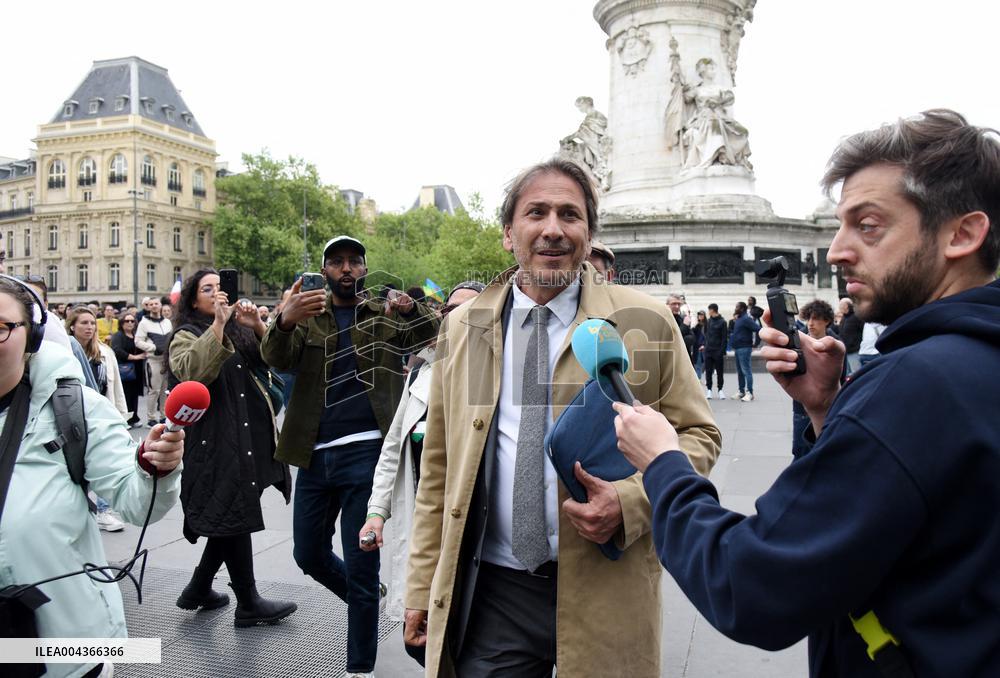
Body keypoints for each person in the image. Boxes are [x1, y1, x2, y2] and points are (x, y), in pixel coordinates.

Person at [611, 109, 1000, 677]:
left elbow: (750, 586)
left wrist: (664, 464)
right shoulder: (971, 364)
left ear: (963, 234)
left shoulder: (914, 387)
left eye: (868, 225)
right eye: (840, 225)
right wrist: (830, 410)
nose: (838, 251)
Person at [404, 158, 721, 677]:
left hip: (607, 593)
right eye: (537, 212)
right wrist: (422, 586)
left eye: (570, 215)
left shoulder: (643, 322)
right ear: (509, 232)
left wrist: (629, 502)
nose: (553, 229)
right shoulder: (467, 326)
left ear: (589, 234)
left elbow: (699, 434)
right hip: (492, 594)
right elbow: (439, 467)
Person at [261, 235, 440, 678]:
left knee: (361, 565)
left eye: (353, 262)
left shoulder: (381, 314)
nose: (346, 268)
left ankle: (358, 668)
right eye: (337, 262)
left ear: (363, 270)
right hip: (314, 455)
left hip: (367, 455)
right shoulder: (306, 315)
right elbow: (274, 357)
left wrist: (411, 309)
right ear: (324, 271)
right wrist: (283, 320)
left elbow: (432, 333)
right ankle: (369, 595)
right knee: (308, 554)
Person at [0, 275, 185, 678]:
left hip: (65, 648)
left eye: (0, 327)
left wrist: (156, 467)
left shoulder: (73, 408)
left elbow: (134, 501)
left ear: (30, 336)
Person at [358, 281, 484, 665]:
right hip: (425, 527)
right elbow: (393, 447)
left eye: (470, 311)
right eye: (450, 311)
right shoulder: (422, 373)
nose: (457, 318)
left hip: (476, 536)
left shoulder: (498, 380)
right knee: (420, 641)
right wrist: (376, 513)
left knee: (472, 641)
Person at [166, 269, 296, 627]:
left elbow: (273, 360)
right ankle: (248, 601)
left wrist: (255, 323)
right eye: (208, 289)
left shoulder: (239, 328)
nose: (217, 294)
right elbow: (191, 372)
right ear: (193, 299)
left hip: (249, 439)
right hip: (214, 443)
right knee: (234, 513)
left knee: (234, 511)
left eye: (220, 288)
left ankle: (200, 587)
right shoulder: (184, 335)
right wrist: (218, 326)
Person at [791, 300, 844, 456]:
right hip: (801, 408)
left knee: (824, 453)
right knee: (800, 453)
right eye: (808, 318)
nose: (811, 323)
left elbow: (841, 378)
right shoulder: (798, 340)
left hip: (828, 410)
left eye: (815, 319)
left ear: (826, 321)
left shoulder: (836, 345)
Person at [680, 58, 752, 169]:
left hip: (721, 117)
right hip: (704, 118)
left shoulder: (720, 88)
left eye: (714, 68)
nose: (714, 71)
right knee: (714, 124)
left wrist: (718, 101)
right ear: (703, 71)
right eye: (711, 69)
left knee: (743, 132)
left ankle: (729, 157)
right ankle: (721, 155)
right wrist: (680, 85)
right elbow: (684, 98)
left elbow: (730, 97)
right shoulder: (697, 90)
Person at [135, 297, 172, 427]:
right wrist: (154, 348)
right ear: (148, 307)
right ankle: (151, 417)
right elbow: (138, 341)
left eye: (156, 303)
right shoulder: (144, 323)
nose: (154, 306)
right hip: (153, 360)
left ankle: (163, 415)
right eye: (151, 304)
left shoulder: (167, 322)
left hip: (167, 360)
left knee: (165, 390)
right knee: (154, 390)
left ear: (161, 305)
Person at [111, 312, 145, 428]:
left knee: (134, 395)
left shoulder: (137, 335)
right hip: (124, 370)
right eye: (127, 321)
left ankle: (134, 417)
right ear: (122, 323)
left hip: (137, 370)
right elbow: (117, 350)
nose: (130, 323)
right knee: (124, 395)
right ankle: (125, 418)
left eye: (132, 321)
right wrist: (134, 357)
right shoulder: (118, 335)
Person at [730, 301, 757, 401]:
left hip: (745, 348)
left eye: (737, 307)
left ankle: (750, 393)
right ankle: (741, 392)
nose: (735, 308)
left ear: (742, 308)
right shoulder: (740, 318)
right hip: (738, 348)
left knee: (746, 371)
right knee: (740, 372)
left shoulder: (746, 319)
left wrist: (755, 344)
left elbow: (758, 328)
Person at [836, 298, 864, 372]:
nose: (839, 307)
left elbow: (863, 331)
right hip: (845, 352)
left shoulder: (856, 316)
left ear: (846, 306)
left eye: (840, 305)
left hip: (854, 351)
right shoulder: (844, 318)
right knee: (848, 375)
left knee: (856, 373)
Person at [692, 309, 707, 379]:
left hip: (702, 347)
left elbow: (706, 336)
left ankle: (698, 380)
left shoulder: (706, 325)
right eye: (699, 315)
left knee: (699, 365)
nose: (700, 316)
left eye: (701, 315)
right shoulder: (696, 325)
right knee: (696, 364)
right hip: (696, 347)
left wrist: (704, 344)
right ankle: (698, 379)